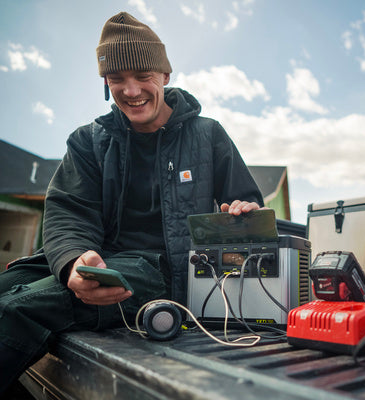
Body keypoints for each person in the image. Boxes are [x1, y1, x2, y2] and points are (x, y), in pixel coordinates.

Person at [0, 11, 264, 394]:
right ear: (105, 82)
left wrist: (243, 212)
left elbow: (247, 202)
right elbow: (68, 212)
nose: (131, 90)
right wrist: (74, 261)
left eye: (143, 76)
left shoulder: (208, 135)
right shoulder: (88, 141)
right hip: (99, 260)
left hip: (164, 271)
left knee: (15, 309)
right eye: (117, 78)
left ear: (165, 76)